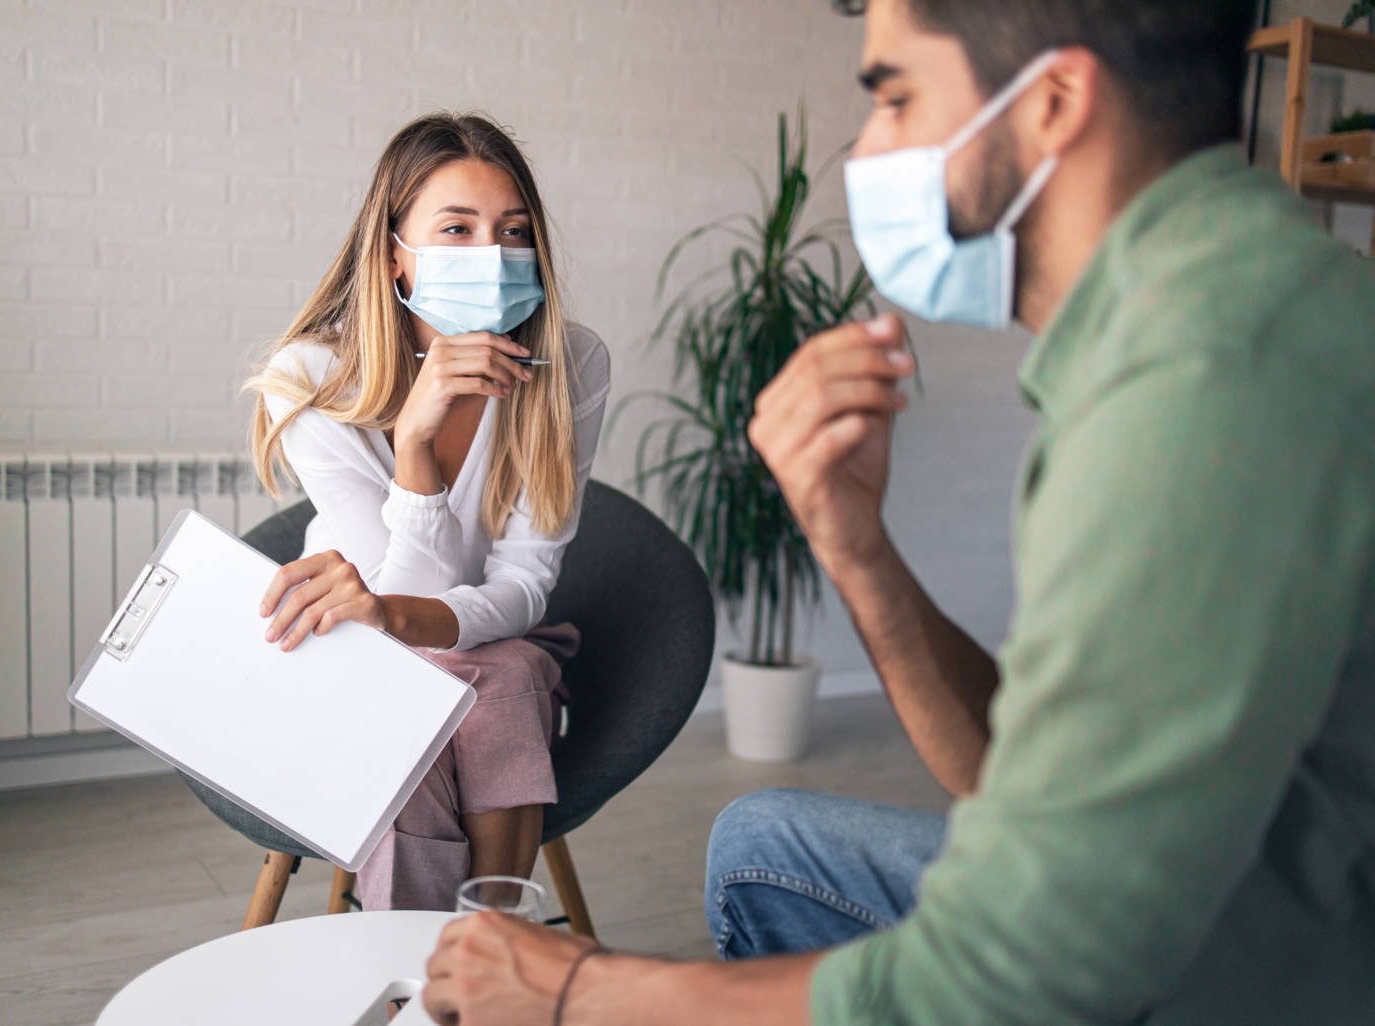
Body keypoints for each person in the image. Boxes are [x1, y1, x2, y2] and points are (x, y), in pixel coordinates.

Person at [417, 0, 1375, 1023]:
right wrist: (853, 544)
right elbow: (1005, 781)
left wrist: (576, 986)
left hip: (1261, 970)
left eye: (896, 97)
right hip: (1216, 885)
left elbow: (1015, 974)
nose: (867, 149)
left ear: (1053, 102)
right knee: (763, 847)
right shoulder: (1203, 306)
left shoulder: (1200, 385)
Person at [246, 112, 611, 912]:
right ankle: (450, 970)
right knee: (426, 704)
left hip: (482, 640)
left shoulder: (571, 366)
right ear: (393, 254)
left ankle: (473, 952)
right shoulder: (310, 379)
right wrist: (412, 444)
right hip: (353, 652)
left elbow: (522, 587)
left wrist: (397, 614)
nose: (493, 256)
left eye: (513, 232)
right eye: (456, 229)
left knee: (502, 675)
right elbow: (380, 615)